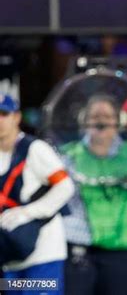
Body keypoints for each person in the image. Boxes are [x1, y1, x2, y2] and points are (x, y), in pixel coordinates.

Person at [62, 94, 127, 295]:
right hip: (80, 246)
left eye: (107, 115)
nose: (101, 120)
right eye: (95, 116)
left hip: (122, 248)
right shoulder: (68, 156)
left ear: (118, 122)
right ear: (84, 121)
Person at [0, 93, 74, 294]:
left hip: (43, 254)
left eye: (4, 114)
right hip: (11, 257)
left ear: (16, 117)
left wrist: (29, 212)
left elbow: (65, 186)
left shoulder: (35, 148)